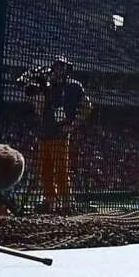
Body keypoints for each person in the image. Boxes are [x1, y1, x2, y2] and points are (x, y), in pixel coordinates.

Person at [33, 57, 90, 209]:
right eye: (56, 68)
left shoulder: (74, 87)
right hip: (45, 132)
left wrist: (73, 125)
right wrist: (43, 90)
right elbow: (39, 110)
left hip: (59, 134)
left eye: (61, 68)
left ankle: (65, 201)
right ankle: (50, 200)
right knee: (44, 170)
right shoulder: (48, 87)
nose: (58, 71)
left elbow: (87, 107)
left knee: (60, 170)